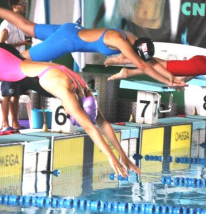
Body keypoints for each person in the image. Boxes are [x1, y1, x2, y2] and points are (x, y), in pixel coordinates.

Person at [0, 42, 141, 177]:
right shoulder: (64, 89)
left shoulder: (83, 89)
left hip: (10, 57)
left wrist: (123, 155)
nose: (67, 112)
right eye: (70, 114)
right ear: (77, 105)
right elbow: (89, 127)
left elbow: (102, 123)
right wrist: (111, 157)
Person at [0, 7, 184, 88]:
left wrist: (170, 77)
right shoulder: (119, 40)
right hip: (66, 41)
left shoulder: (134, 38)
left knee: (27, 26)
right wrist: (165, 82)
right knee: (20, 60)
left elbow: (150, 61)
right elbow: (143, 66)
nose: (130, 57)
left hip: (71, 29)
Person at [0, 0, 32, 133]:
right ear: (14, 7)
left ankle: (15, 123)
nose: (24, 5)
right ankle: (5, 124)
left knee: (16, 95)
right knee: (7, 95)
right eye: (21, 4)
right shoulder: (7, 24)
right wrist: (21, 43)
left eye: (24, 3)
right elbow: (1, 43)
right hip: (7, 64)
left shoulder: (20, 23)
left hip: (18, 64)